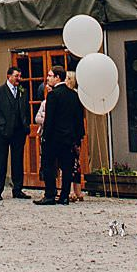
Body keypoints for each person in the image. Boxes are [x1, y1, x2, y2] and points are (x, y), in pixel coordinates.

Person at [37, 66, 84, 206]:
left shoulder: (53, 95)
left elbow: (49, 119)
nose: (48, 78)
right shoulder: (74, 95)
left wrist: (45, 137)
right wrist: (78, 138)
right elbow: (78, 119)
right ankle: (64, 196)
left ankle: (50, 195)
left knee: (49, 166)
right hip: (69, 138)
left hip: (54, 138)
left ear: (58, 77)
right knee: (67, 168)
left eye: (50, 75)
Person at [0, 66, 30, 201]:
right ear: (9, 76)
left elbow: (26, 110)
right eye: (16, 76)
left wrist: (26, 125)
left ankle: (17, 189)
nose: (19, 78)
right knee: (1, 160)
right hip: (3, 131)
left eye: (20, 76)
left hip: (19, 131)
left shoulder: (23, 91)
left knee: (18, 160)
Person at [64, 71, 85, 202]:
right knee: (71, 162)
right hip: (73, 132)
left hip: (72, 133)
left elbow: (78, 117)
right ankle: (74, 190)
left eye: (67, 78)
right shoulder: (72, 95)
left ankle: (75, 189)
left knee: (74, 163)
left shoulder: (75, 96)